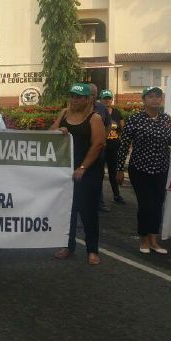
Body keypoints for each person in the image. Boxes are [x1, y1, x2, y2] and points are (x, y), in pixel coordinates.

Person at [116, 86, 171, 255]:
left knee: (158, 204)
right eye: (150, 96)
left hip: (161, 168)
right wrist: (119, 169)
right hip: (140, 169)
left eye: (158, 96)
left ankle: (154, 239)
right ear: (143, 99)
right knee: (145, 205)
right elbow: (124, 144)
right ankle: (144, 239)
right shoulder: (135, 119)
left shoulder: (167, 119)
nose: (155, 99)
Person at [51, 83, 106, 265]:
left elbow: (98, 144)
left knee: (88, 211)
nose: (74, 100)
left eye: (79, 97)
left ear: (88, 99)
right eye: (72, 96)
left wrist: (82, 168)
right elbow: (49, 134)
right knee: (68, 210)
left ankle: (92, 250)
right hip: (66, 169)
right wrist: (60, 131)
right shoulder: (64, 114)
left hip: (88, 171)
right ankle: (68, 245)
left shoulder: (94, 117)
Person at [88, 83, 112, 213]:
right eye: (90, 94)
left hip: (98, 148)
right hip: (83, 148)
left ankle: (99, 203)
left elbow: (108, 125)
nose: (92, 96)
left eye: (94, 94)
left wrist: (103, 138)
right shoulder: (80, 106)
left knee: (98, 175)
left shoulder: (102, 108)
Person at [99, 89, 126, 204]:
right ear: (100, 100)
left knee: (113, 173)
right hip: (101, 147)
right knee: (99, 174)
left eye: (108, 98)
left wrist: (124, 144)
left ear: (111, 100)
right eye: (104, 98)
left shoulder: (117, 113)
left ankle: (116, 195)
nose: (107, 101)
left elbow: (123, 129)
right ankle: (99, 200)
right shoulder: (97, 112)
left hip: (114, 147)